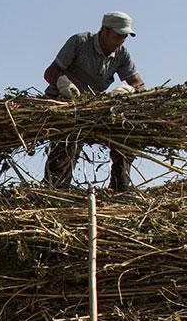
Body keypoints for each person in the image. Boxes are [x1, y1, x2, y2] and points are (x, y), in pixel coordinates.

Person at [42, 11, 146, 191]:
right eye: (118, 35)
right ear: (104, 31)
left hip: (95, 107)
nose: (121, 40)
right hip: (65, 103)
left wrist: (127, 91)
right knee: (70, 138)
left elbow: (138, 84)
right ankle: (56, 190)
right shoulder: (80, 42)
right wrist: (63, 83)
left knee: (126, 134)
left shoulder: (121, 54)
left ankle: (121, 189)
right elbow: (50, 72)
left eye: (125, 37)